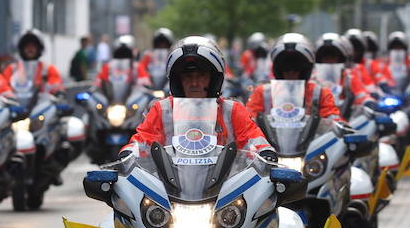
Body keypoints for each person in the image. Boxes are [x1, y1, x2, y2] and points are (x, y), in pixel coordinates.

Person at [122, 36, 272, 160]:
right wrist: (130, 152)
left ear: (213, 79)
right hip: (171, 188)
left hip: (226, 187)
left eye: (201, 76)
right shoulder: (162, 110)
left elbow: (251, 137)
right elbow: (143, 140)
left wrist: (264, 151)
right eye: (187, 76)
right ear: (177, 80)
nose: (194, 83)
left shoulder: (231, 110)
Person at [245, 33, 344, 121]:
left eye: (296, 67)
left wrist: (331, 123)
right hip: (269, 142)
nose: (291, 72)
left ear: (306, 69)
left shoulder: (320, 93)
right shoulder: (262, 93)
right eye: (286, 67)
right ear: (278, 69)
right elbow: (248, 120)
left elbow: (334, 119)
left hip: (314, 141)